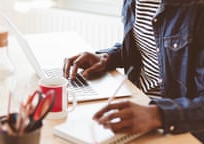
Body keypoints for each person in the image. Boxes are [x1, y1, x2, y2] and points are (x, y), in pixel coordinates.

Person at [63, 0, 204, 142]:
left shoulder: (197, 7)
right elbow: (147, 48)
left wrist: (157, 115)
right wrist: (107, 58)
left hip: (179, 126)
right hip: (138, 103)